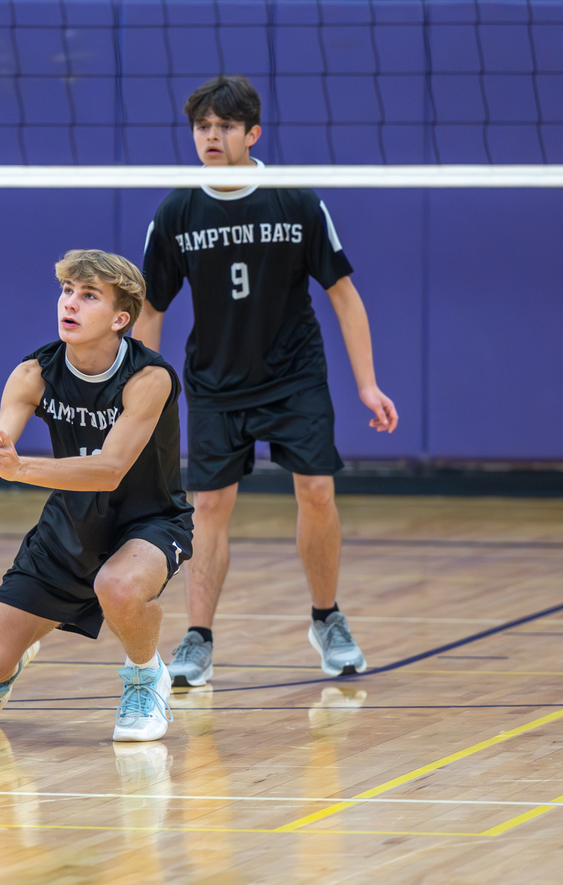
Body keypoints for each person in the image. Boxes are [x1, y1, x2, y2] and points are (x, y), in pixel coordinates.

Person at [134, 75, 399, 688]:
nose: (211, 137)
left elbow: (344, 293)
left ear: (253, 134)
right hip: (216, 380)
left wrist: (367, 383)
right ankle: (197, 639)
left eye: (225, 127)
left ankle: (327, 618)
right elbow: (150, 309)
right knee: (210, 505)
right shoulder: (177, 210)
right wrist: (141, 389)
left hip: (294, 374)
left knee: (316, 491)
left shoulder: (294, 200)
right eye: (203, 127)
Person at [0, 250, 193, 742]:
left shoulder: (151, 379)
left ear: (120, 318)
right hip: (69, 526)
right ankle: (20, 650)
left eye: (89, 296)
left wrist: (18, 467)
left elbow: (108, 470)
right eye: (67, 292)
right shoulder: (33, 373)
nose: (71, 303)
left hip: (149, 523)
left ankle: (146, 676)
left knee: (119, 586)